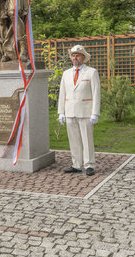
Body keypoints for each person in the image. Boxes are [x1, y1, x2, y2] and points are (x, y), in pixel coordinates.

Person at [58, 45, 101, 176]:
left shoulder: (91, 72)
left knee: (87, 140)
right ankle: (76, 164)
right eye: (73, 55)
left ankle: (89, 165)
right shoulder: (65, 74)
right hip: (70, 111)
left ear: (83, 57)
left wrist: (95, 113)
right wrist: (61, 112)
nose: (75, 57)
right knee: (74, 140)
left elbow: (96, 93)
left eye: (77, 55)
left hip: (86, 112)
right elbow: (62, 94)